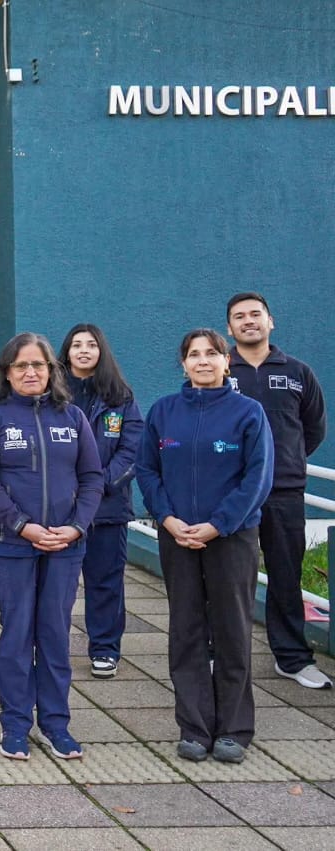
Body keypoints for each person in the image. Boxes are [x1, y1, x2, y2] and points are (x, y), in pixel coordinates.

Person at [137, 328, 273, 764]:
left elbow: (257, 477)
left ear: (225, 361)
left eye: (211, 353)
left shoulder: (248, 412)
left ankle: (233, 729)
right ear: (183, 363)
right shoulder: (163, 412)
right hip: (177, 537)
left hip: (230, 538)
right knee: (186, 630)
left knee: (233, 630)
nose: (203, 361)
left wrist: (218, 524)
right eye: (194, 355)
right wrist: (169, 519)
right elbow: (147, 470)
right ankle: (194, 727)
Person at [0, 332, 103, 762]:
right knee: (17, 634)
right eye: (21, 366)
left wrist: (77, 527)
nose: (30, 372)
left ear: (51, 371)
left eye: (39, 365)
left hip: (65, 546)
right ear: (7, 372)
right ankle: (14, 725)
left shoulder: (73, 418)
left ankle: (56, 725)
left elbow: (93, 477)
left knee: (56, 635)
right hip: (11, 544)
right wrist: (23, 526)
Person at [226, 293, 330, 690]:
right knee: (228, 578)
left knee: (285, 576)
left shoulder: (298, 372)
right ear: (229, 328)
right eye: (239, 317)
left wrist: (283, 461)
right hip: (230, 493)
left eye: (255, 315)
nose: (248, 321)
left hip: (283, 491)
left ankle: (291, 658)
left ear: (271, 321)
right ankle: (221, 655)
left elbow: (313, 428)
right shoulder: (220, 369)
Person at [57, 324, 144, 680]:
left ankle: (105, 649)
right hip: (61, 507)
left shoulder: (120, 396)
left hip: (108, 508)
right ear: (66, 352)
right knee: (57, 584)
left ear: (101, 351)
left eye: (91, 345)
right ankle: (52, 647)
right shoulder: (53, 393)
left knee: (105, 582)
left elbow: (131, 449)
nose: (83, 350)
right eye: (76, 345)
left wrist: (97, 485)